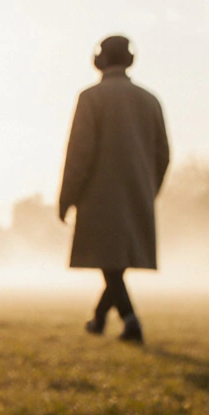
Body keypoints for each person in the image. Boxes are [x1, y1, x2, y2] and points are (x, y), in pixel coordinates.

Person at [58, 35, 169, 343]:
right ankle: (99, 317)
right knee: (115, 262)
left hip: (99, 196)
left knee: (110, 260)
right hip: (137, 194)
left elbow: (79, 153)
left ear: (100, 60)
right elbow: (163, 154)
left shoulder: (91, 98)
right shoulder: (150, 100)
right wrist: (149, 189)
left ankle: (130, 321)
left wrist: (67, 197)